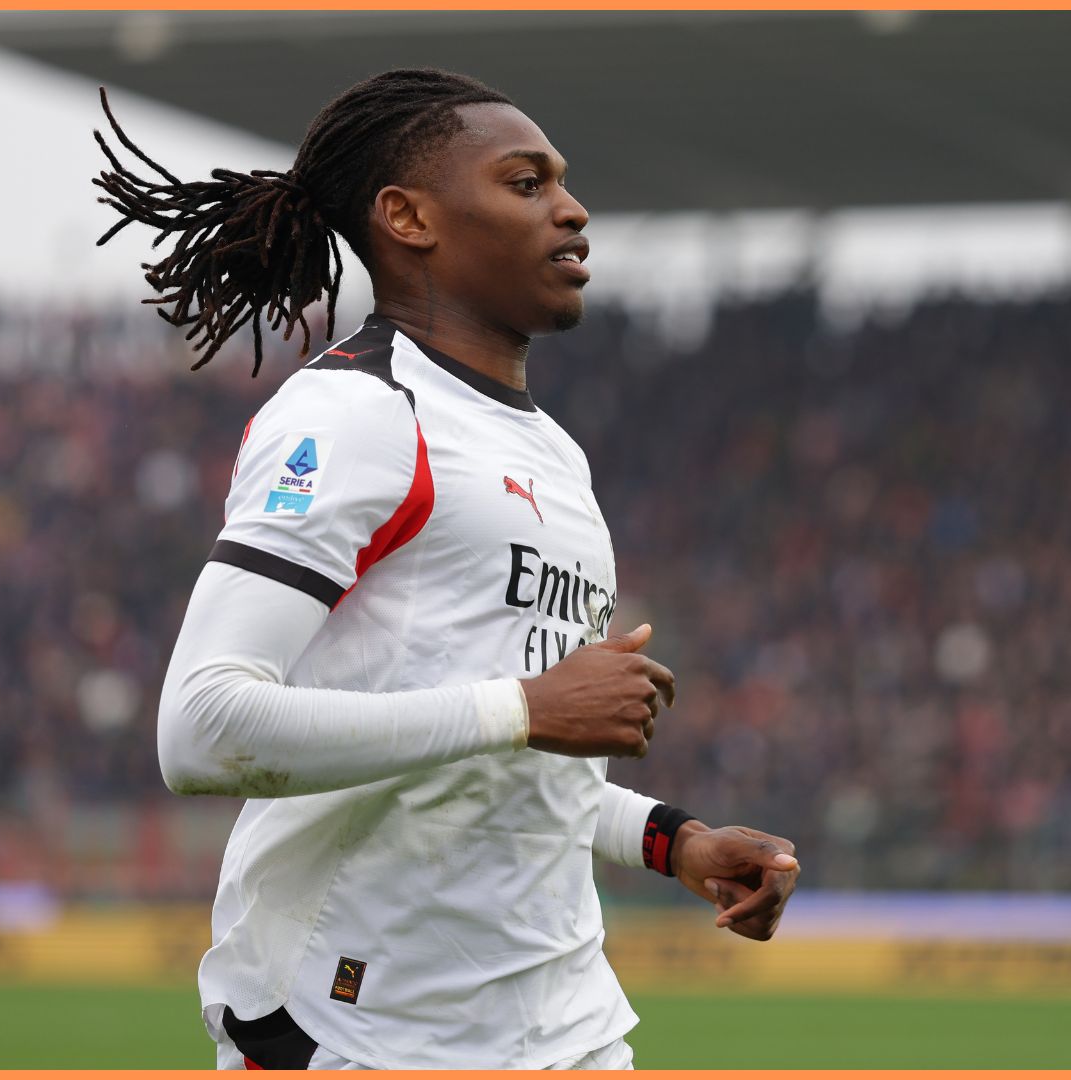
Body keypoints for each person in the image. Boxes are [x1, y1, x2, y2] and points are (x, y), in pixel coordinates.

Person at [94, 69, 801, 1070]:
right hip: (362, 1028)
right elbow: (203, 728)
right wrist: (526, 705)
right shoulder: (356, 415)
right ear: (408, 217)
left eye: (563, 183)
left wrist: (670, 839)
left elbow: (493, 759)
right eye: (526, 183)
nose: (572, 209)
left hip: (564, 1025)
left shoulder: (556, 454)